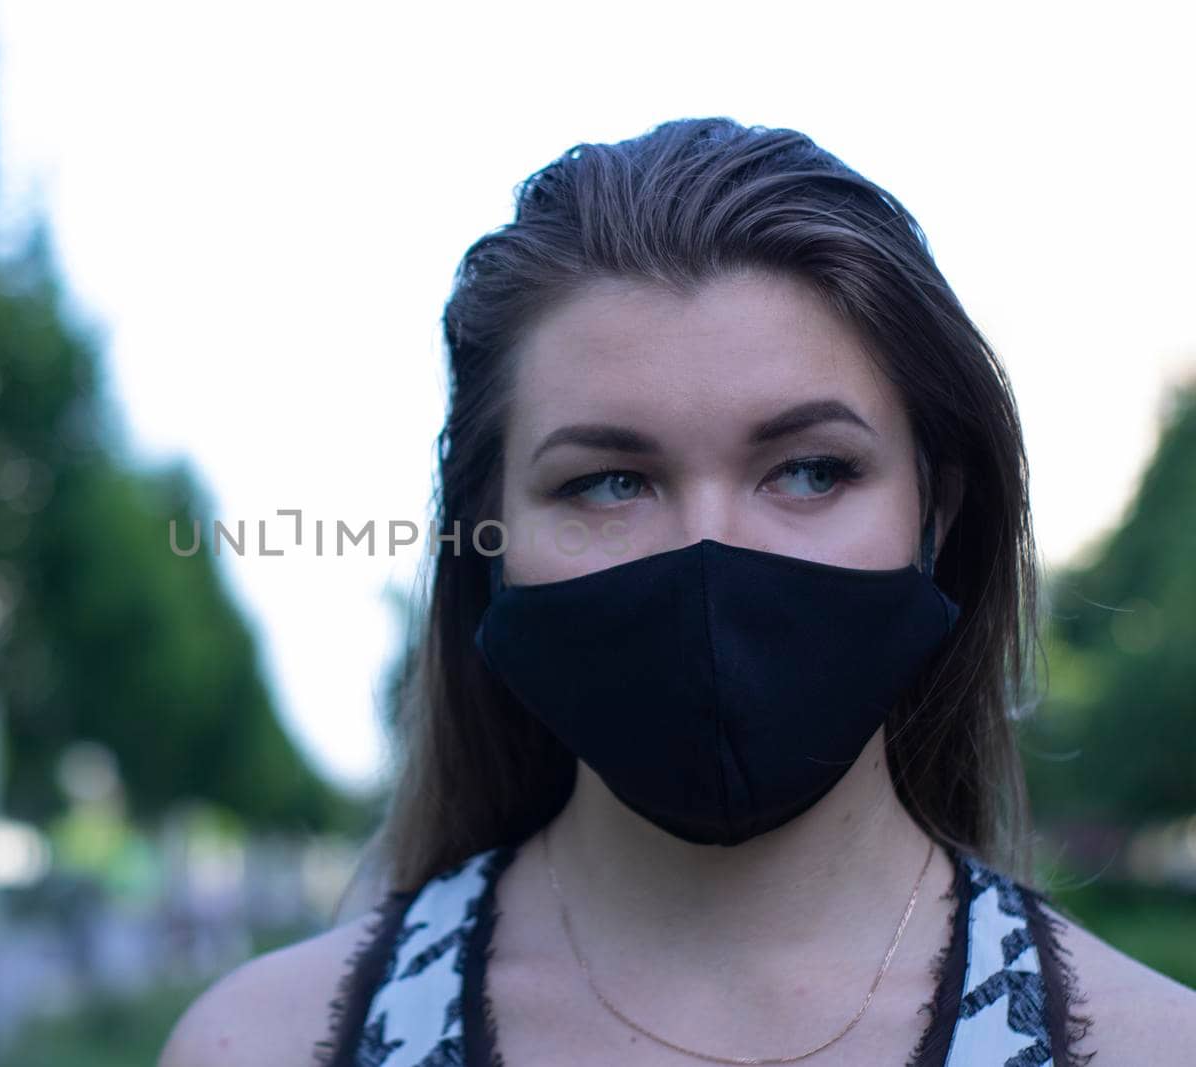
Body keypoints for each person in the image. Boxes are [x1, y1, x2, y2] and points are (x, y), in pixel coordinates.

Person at [158, 117, 1196, 1066]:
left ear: (938, 513)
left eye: (810, 468)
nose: (710, 553)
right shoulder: (265, 1044)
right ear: (487, 539)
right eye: (608, 481)